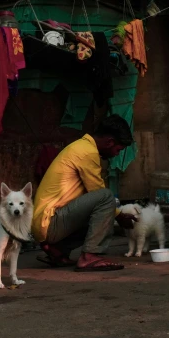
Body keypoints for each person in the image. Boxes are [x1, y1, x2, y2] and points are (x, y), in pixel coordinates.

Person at [32, 114, 136, 271]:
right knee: (106, 197)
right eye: (118, 149)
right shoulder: (87, 152)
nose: (117, 154)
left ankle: (58, 250)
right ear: (109, 142)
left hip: (45, 223)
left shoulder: (81, 146)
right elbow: (99, 192)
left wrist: (116, 216)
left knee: (103, 212)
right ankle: (90, 256)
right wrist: (120, 217)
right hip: (50, 223)